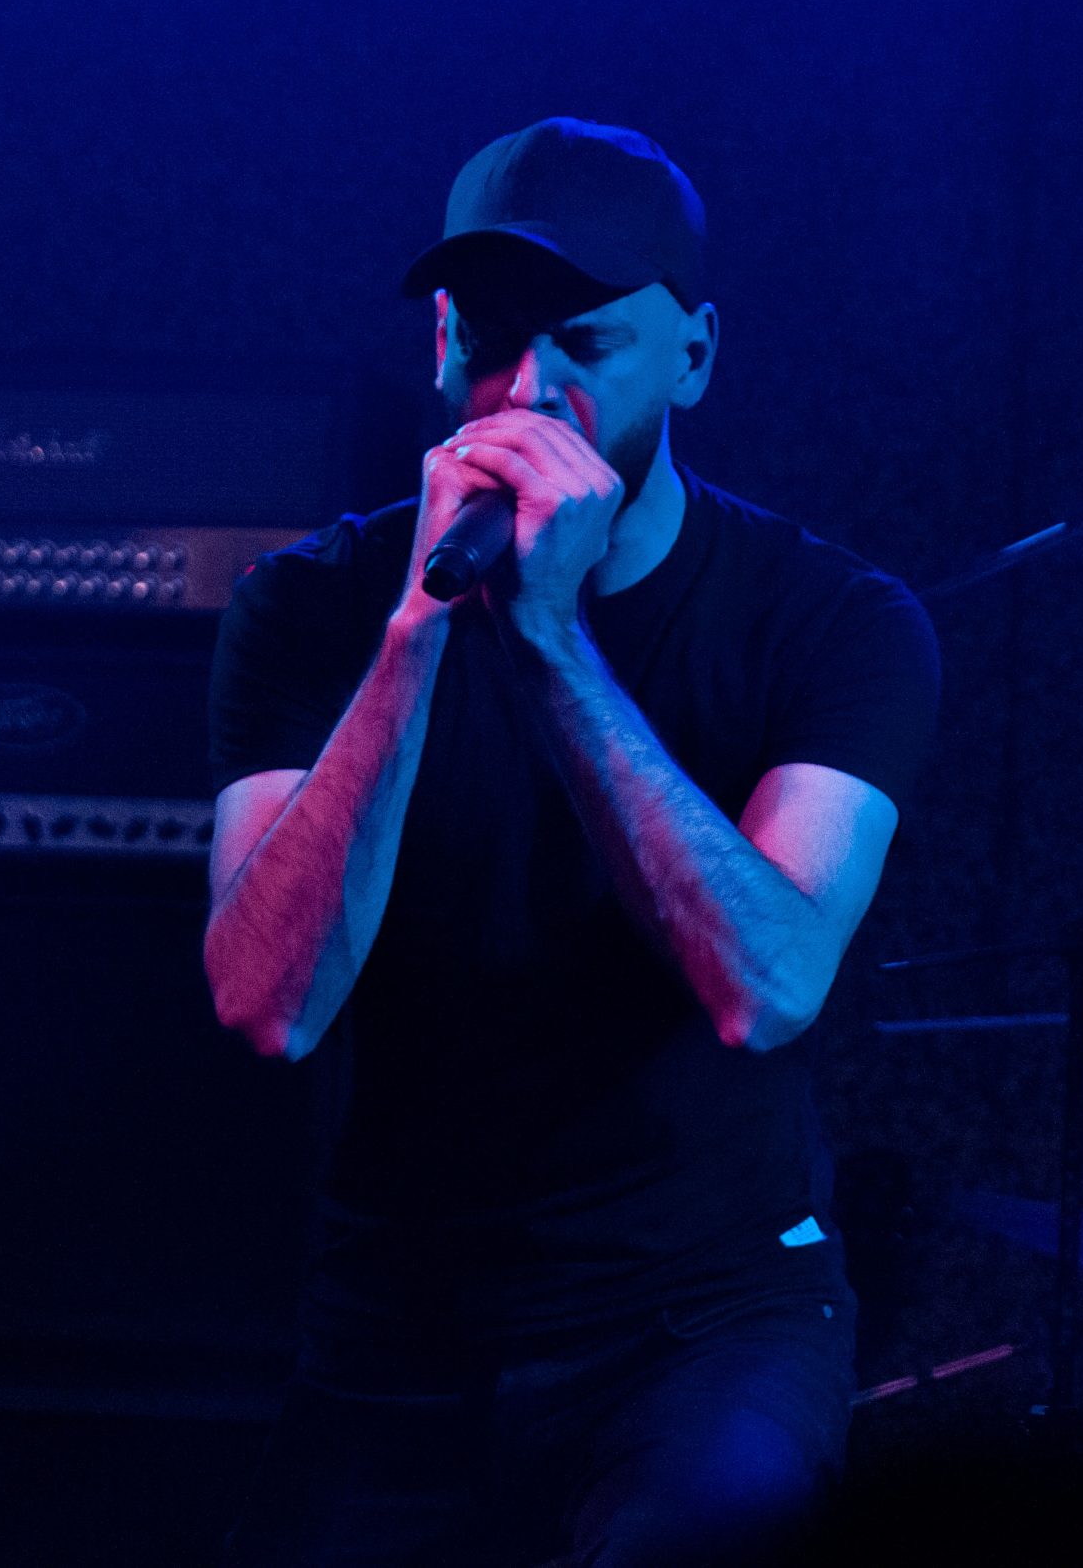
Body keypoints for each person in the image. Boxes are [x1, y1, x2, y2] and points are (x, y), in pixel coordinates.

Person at [206, 117, 942, 1567]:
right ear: (441, 347)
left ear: (695, 357)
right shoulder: (309, 607)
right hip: (399, 1326)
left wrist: (549, 642)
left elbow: (768, 986)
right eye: (491, 341)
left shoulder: (833, 625)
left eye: (589, 344)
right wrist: (422, 629)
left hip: (702, 1326)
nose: (530, 393)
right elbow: (267, 1004)